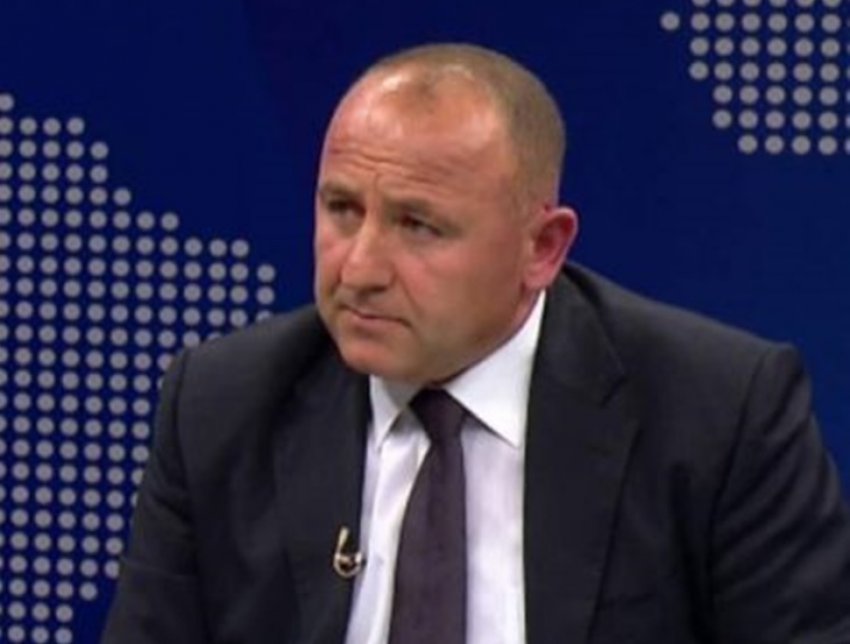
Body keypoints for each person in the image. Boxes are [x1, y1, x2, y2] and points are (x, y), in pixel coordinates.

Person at [102, 43, 850, 643]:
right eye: (342, 209)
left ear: (542, 249)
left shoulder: (716, 415)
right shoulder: (224, 405)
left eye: (417, 225)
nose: (358, 270)